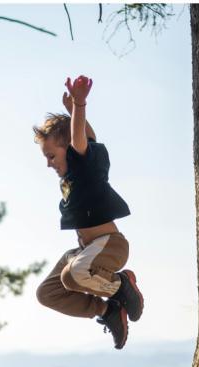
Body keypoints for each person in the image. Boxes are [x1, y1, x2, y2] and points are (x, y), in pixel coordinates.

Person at [33, 74, 144, 349]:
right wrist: (71, 110)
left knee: (72, 276)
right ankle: (108, 312)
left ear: (68, 149)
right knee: (47, 292)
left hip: (110, 247)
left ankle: (121, 285)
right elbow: (88, 135)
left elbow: (82, 138)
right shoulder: (74, 175)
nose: (48, 164)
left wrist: (79, 106)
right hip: (86, 252)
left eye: (51, 156)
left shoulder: (83, 164)